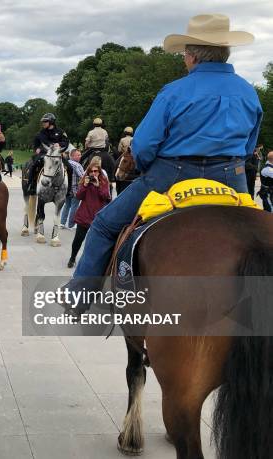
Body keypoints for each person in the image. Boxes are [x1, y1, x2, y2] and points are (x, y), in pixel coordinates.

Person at [62, 14, 262, 313]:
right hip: (231, 177)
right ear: (225, 52)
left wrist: (144, 165)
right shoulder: (249, 92)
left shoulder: (174, 91)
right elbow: (248, 147)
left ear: (191, 56)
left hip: (172, 175)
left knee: (104, 225)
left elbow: (143, 146)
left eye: (184, 54)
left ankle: (79, 296)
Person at [67, 158, 111, 268]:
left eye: (96, 171)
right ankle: (72, 258)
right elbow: (78, 196)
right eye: (91, 171)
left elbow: (106, 197)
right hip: (84, 215)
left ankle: (93, 263)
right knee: (78, 239)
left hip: (98, 216)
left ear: (99, 172)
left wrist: (98, 186)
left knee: (95, 242)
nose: (93, 173)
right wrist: (85, 186)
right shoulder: (84, 181)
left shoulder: (104, 181)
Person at [26, 113, 70, 194]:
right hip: (44, 153)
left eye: (45, 121)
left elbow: (66, 142)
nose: (43, 123)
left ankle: (69, 189)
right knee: (34, 165)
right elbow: (39, 143)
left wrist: (59, 144)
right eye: (43, 122)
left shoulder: (60, 131)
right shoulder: (41, 133)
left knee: (70, 167)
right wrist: (36, 149)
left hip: (57, 154)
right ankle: (31, 185)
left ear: (51, 122)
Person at [60, 149, 85, 230]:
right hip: (75, 190)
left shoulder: (65, 164)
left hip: (66, 189)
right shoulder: (77, 165)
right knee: (74, 206)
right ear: (72, 156)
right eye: (78, 155)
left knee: (66, 206)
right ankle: (71, 225)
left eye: (80, 154)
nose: (80, 156)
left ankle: (62, 223)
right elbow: (82, 177)